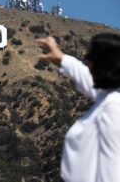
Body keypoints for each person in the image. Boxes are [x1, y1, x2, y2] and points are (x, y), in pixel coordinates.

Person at [36, 34, 120, 182]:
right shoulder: (108, 97)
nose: (86, 64)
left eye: (89, 59)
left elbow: (111, 172)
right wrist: (61, 58)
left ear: (102, 65)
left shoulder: (113, 108)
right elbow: (86, 79)